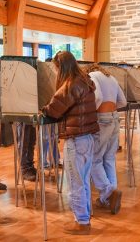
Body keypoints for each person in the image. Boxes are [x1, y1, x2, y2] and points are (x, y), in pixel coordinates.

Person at [41, 51, 99, 235]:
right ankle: (85, 218)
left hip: (75, 140)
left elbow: (54, 109)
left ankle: (81, 222)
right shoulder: (85, 81)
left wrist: (43, 109)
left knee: (75, 183)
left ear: (61, 66)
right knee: (83, 181)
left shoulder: (70, 85)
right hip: (88, 138)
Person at [84, 64, 127, 214]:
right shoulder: (112, 78)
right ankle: (107, 199)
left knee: (95, 159)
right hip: (115, 117)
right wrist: (111, 110)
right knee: (109, 158)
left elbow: (98, 97)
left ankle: (108, 192)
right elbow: (123, 101)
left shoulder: (92, 77)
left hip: (102, 119)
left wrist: (93, 111)